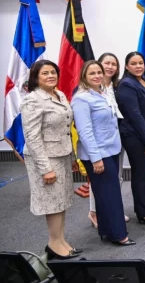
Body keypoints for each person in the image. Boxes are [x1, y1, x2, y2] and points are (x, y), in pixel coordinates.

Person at [21, 60, 80, 259]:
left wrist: (71, 157)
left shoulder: (60, 94)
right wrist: (45, 168)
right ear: (36, 77)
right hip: (45, 158)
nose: (50, 76)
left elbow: (65, 130)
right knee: (52, 202)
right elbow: (32, 136)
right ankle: (54, 244)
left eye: (53, 72)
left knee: (61, 200)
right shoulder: (33, 100)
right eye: (45, 73)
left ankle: (61, 240)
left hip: (62, 155)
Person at [72, 61, 134, 246]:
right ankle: (119, 234)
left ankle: (107, 230)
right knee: (110, 195)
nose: (97, 76)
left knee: (105, 193)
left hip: (111, 149)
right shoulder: (81, 99)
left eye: (99, 72)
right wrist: (96, 158)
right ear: (84, 76)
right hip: (98, 154)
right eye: (92, 73)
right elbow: (85, 131)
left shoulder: (103, 93)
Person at [117, 52, 145, 225]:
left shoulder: (142, 81)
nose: (138, 66)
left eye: (141, 63)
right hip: (136, 136)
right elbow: (134, 114)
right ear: (127, 66)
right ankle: (144, 213)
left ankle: (142, 210)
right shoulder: (127, 84)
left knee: (141, 174)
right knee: (140, 175)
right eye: (133, 63)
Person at [88, 53, 128, 228]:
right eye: (107, 63)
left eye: (114, 64)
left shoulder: (116, 86)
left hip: (117, 137)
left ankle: (113, 209)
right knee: (99, 178)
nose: (110, 67)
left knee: (116, 177)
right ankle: (94, 212)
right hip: (100, 141)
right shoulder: (90, 90)